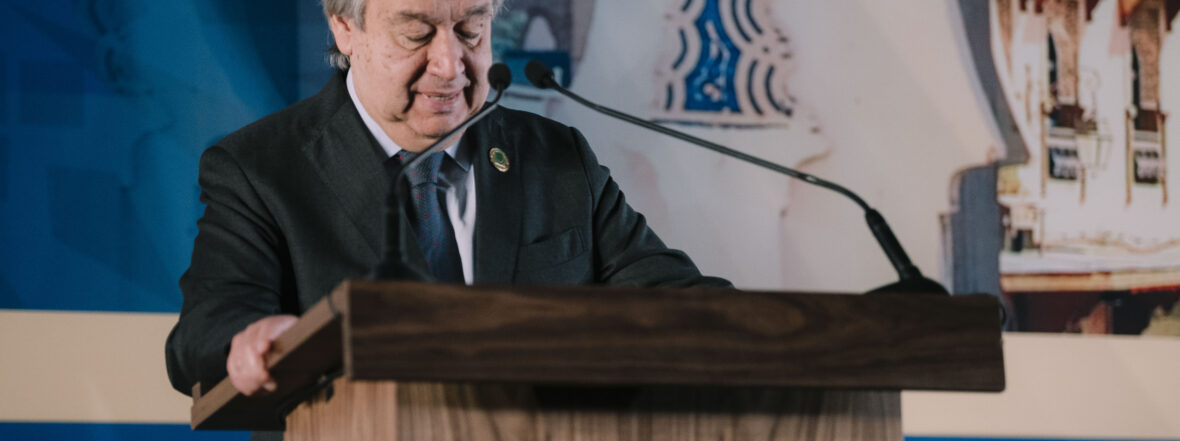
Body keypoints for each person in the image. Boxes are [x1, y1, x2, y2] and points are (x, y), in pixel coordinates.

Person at [165, 0, 728, 407]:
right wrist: (252, 339)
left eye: (471, 30)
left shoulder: (555, 157)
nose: (450, 64)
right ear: (345, 28)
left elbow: (678, 300)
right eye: (417, 34)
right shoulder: (261, 168)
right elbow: (206, 329)